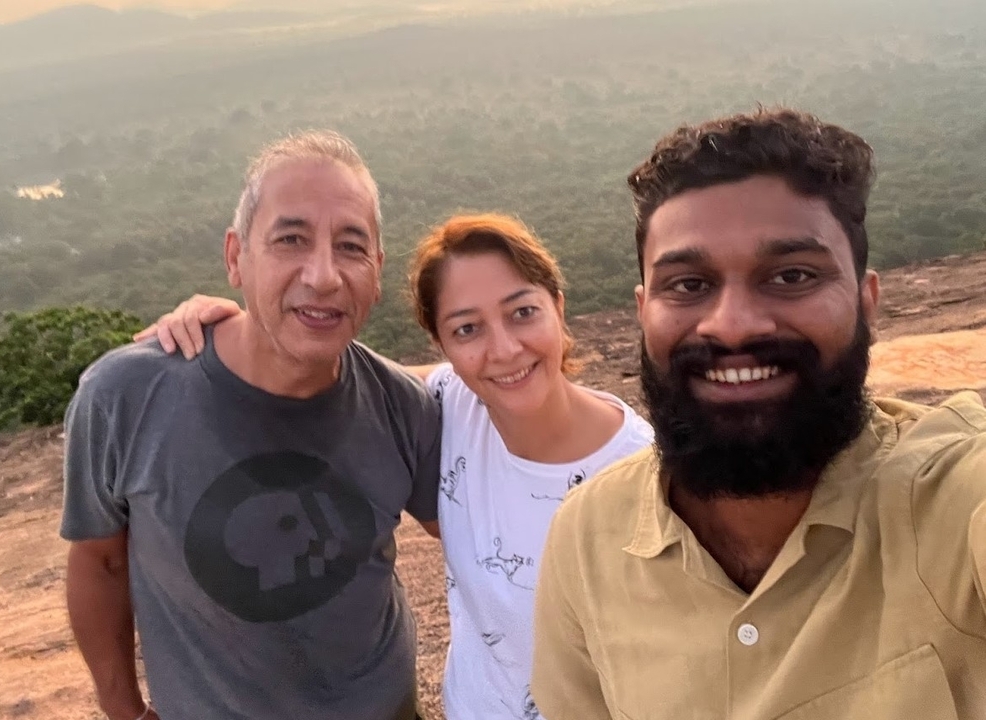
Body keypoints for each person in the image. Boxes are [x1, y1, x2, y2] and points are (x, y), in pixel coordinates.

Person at [530, 107, 986, 719]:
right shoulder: (586, 538)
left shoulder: (954, 497)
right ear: (643, 311)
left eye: (792, 275)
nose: (733, 326)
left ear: (866, 300)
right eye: (688, 285)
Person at [134, 213, 655, 720]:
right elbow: (325, 380)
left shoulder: (645, 479)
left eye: (523, 312)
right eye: (467, 328)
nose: (503, 349)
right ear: (444, 346)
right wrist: (241, 329)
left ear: (558, 308)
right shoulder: (450, 403)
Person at [61, 130, 442, 720]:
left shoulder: (402, 406)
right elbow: (100, 561)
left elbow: (482, 537)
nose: (323, 276)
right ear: (236, 257)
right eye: (291, 239)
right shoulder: (124, 397)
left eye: (350, 246)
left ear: (377, 270)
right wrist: (123, 709)